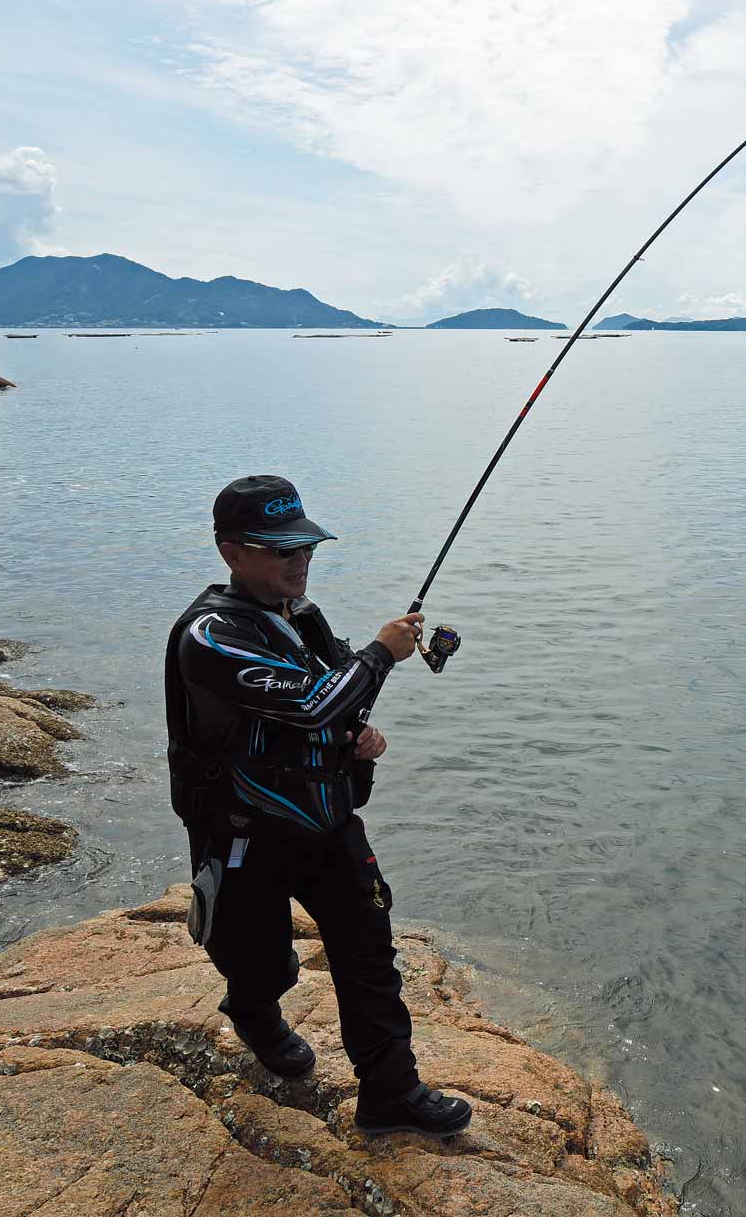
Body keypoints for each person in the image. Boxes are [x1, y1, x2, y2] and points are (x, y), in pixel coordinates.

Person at [163, 474, 472, 1138]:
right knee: (264, 960)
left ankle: (390, 1093)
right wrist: (382, 654)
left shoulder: (301, 618)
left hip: (326, 821)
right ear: (232, 553)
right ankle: (255, 1013)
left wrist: (363, 736)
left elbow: (334, 698)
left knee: (369, 952)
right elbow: (309, 703)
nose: (299, 561)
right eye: (281, 551)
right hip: (245, 829)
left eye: (305, 548)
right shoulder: (210, 636)